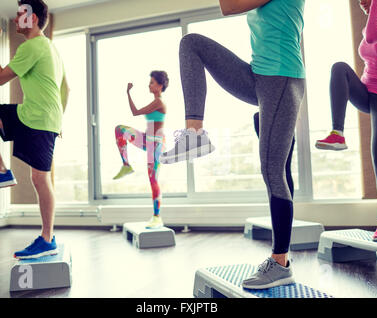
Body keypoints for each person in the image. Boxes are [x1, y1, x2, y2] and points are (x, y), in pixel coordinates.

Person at [160, 0, 306, 289]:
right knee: (191, 44)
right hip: (259, 75)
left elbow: (229, 6)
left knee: (273, 170)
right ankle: (194, 133)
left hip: (280, 77)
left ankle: (280, 263)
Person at [0, 0, 69, 259]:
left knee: (40, 179)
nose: (15, 19)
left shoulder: (33, 45)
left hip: (38, 119)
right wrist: (59, 120)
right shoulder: (51, 48)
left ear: (33, 18)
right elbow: (65, 89)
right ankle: (0, 170)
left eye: (20, 14)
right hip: (32, 114)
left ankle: (47, 239)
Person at [316, 0, 377, 241]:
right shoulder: (372, 23)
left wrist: (375, 3)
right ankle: (337, 133)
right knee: (339, 68)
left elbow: (374, 38)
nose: (362, 3)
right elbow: (371, 36)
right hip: (366, 92)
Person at [113, 71, 169, 229]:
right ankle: (126, 165)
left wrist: (128, 93)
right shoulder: (155, 102)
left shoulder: (159, 102)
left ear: (160, 85)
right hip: (147, 139)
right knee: (120, 130)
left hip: (157, 143)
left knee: (153, 179)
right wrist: (128, 93)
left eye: (152, 82)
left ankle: (157, 217)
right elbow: (135, 112)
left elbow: (136, 112)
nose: (149, 85)